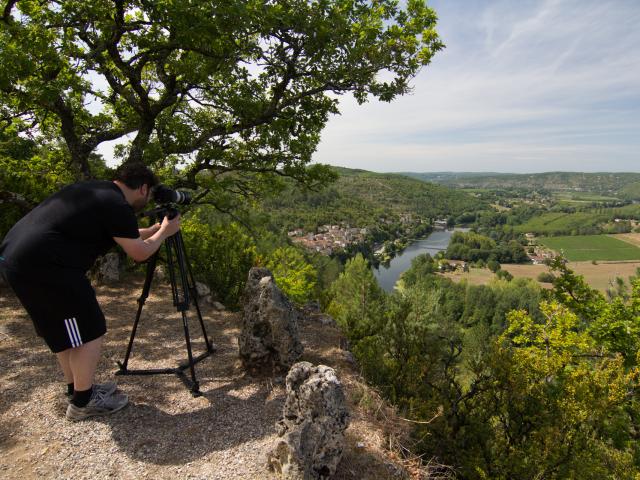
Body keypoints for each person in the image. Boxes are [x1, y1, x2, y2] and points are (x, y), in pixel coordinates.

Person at [0, 163, 181, 421]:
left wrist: (152, 231)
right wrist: (165, 232)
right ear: (143, 188)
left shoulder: (95, 191)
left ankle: (76, 390)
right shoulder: (118, 205)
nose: (147, 198)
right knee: (90, 329)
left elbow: (120, 233)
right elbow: (139, 253)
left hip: (15, 258)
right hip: (46, 266)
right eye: (148, 193)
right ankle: (83, 403)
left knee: (63, 331)